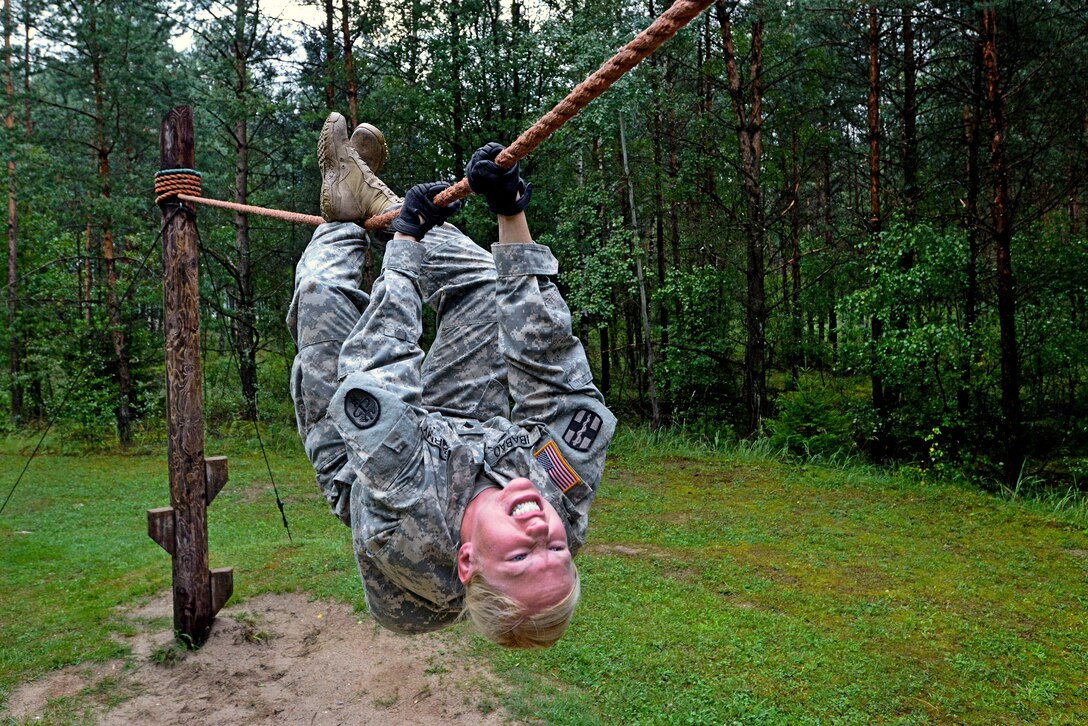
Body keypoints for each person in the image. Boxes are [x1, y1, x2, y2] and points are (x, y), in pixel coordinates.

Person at [288, 112, 615, 648]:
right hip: (463, 436)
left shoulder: (409, 512)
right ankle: (363, 196)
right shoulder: (561, 499)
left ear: (467, 559)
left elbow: (378, 366)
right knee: (487, 289)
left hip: (364, 458)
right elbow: (552, 370)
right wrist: (512, 213)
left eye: (519, 554)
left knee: (325, 296)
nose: (541, 533)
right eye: (555, 551)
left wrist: (408, 242)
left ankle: (343, 217)